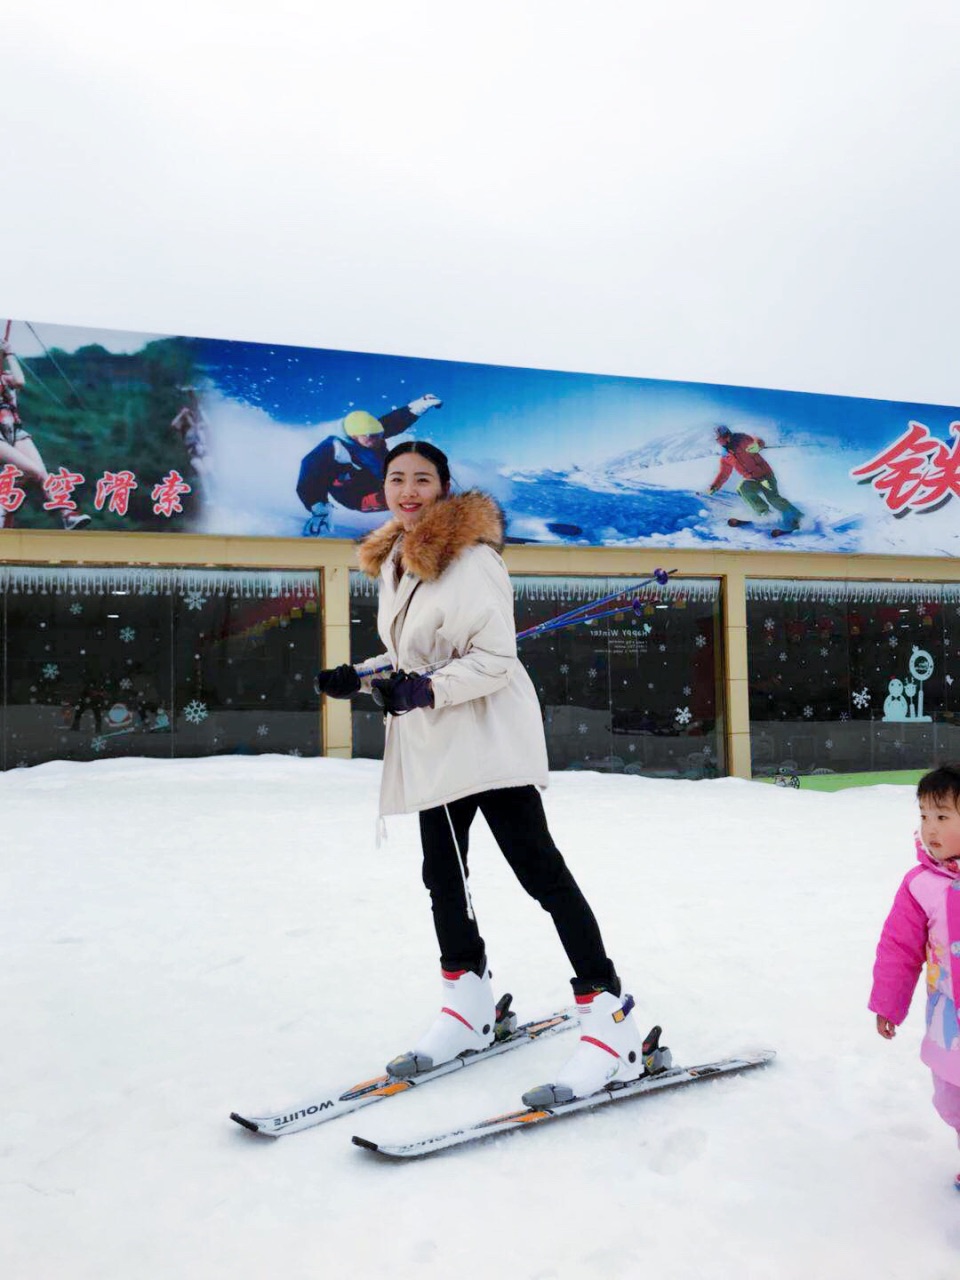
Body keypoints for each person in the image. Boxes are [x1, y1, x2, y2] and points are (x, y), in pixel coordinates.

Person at [314, 440, 644, 1106]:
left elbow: (493, 659)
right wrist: (367, 674)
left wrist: (423, 692)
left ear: (444, 487)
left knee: (539, 874)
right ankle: (467, 1006)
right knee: (444, 877)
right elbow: (415, 649)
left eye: (422, 480)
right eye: (397, 479)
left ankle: (613, 1026)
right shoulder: (397, 562)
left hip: (487, 738)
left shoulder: (472, 561)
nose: (408, 490)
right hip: (436, 745)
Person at [869, 763, 960, 1190]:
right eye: (924, 816)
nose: (930, 828)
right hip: (951, 1024)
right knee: (951, 1097)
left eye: (943, 816)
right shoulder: (920, 885)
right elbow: (899, 949)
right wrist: (888, 1002)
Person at [296, 393, 442, 537]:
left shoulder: (369, 433)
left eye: (379, 435)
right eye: (372, 437)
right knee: (403, 497)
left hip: (381, 478)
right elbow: (309, 481)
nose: (378, 439)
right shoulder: (329, 451)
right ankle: (421, 524)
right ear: (354, 436)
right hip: (358, 495)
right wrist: (318, 507)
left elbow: (394, 421)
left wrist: (419, 405)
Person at [0, 339, 91, 531]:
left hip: (14, 430)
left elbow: (20, 381)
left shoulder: (6, 378)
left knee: (41, 474)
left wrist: (9, 353)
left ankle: (67, 515)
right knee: (34, 471)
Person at [706, 424, 803, 531]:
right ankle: (764, 514)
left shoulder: (741, 439)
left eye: (719, 439)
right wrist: (715, 486)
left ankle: (797, 517)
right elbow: (724, 473)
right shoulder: (726, 455)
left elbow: (757, 440)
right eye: (717, 440)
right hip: (751, 479)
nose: (718, 442)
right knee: (742, 488)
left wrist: (757, 445)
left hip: (766, 476)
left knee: (773, 498)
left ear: (726, 436)